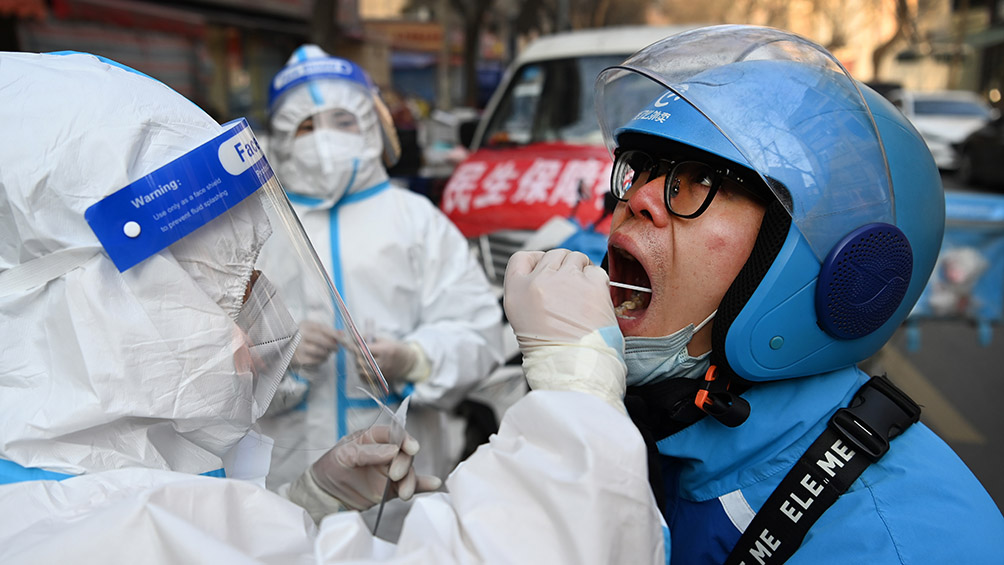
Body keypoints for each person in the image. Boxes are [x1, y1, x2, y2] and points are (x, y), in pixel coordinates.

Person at [0, 50, 662, 563]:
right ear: (60, 297)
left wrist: (302, 506)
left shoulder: (77, 495)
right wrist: (579, 389)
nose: (243, 341)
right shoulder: (109, 529)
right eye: (206, 292)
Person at [558, 24, 1002, 563]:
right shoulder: (660, 430)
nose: (639, 198)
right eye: (643, 169)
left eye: (703, 180)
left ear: (830, 265)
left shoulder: (896, 544)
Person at [258, 46, 505, 517]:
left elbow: (479, 331)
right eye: (306, 125)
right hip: (282, 482)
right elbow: (210, 354)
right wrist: (275, 356)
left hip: (399, 479)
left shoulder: (416, 221)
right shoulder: (255, 228)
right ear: (281, 139)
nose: (325, 138)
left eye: (342, 120)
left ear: (371, 127)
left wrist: (414, 359)